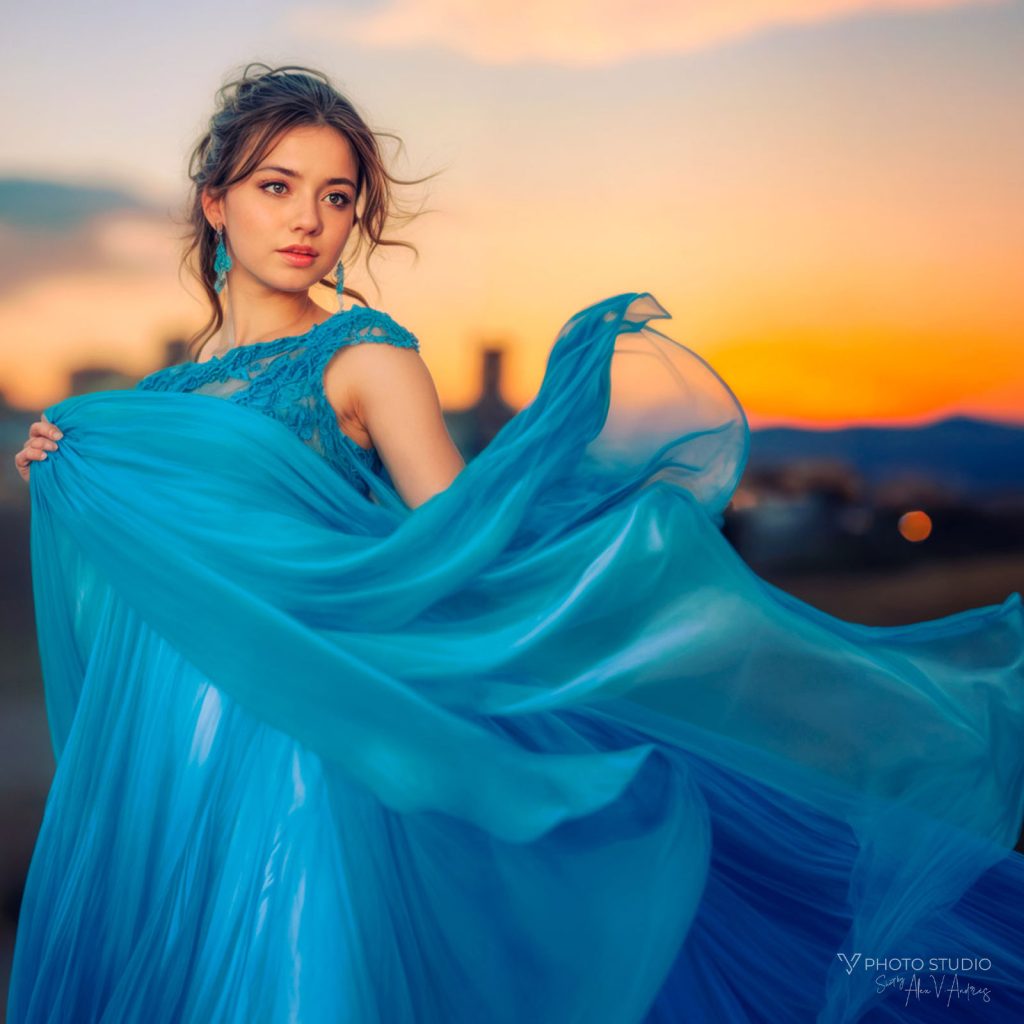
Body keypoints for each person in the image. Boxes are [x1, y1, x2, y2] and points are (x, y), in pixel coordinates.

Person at [10, 63, 1024, 1024]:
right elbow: (156, 592)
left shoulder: (363, 358)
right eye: (277, 186)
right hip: (180, 742)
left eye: (336, 195)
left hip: (313, 733)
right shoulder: (154, 408)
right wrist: (72, 483)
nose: (309, 221)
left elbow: (457, 541)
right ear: (216, 203)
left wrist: (570, 485)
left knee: (297, 969)